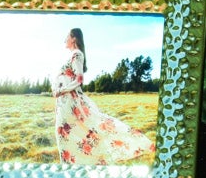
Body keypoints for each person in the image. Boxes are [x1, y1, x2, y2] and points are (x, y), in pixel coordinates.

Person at [52, 27, 154, 166]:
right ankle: (70, 163)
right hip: (63, 101)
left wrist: (62, 90)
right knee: (67, 132)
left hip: (69, 100)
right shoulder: (72, 55)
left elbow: (79, 80)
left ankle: (74, 164)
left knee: (67, 131)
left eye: (67, 37)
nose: (65, 40)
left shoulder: (77, 54)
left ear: (74, 38)